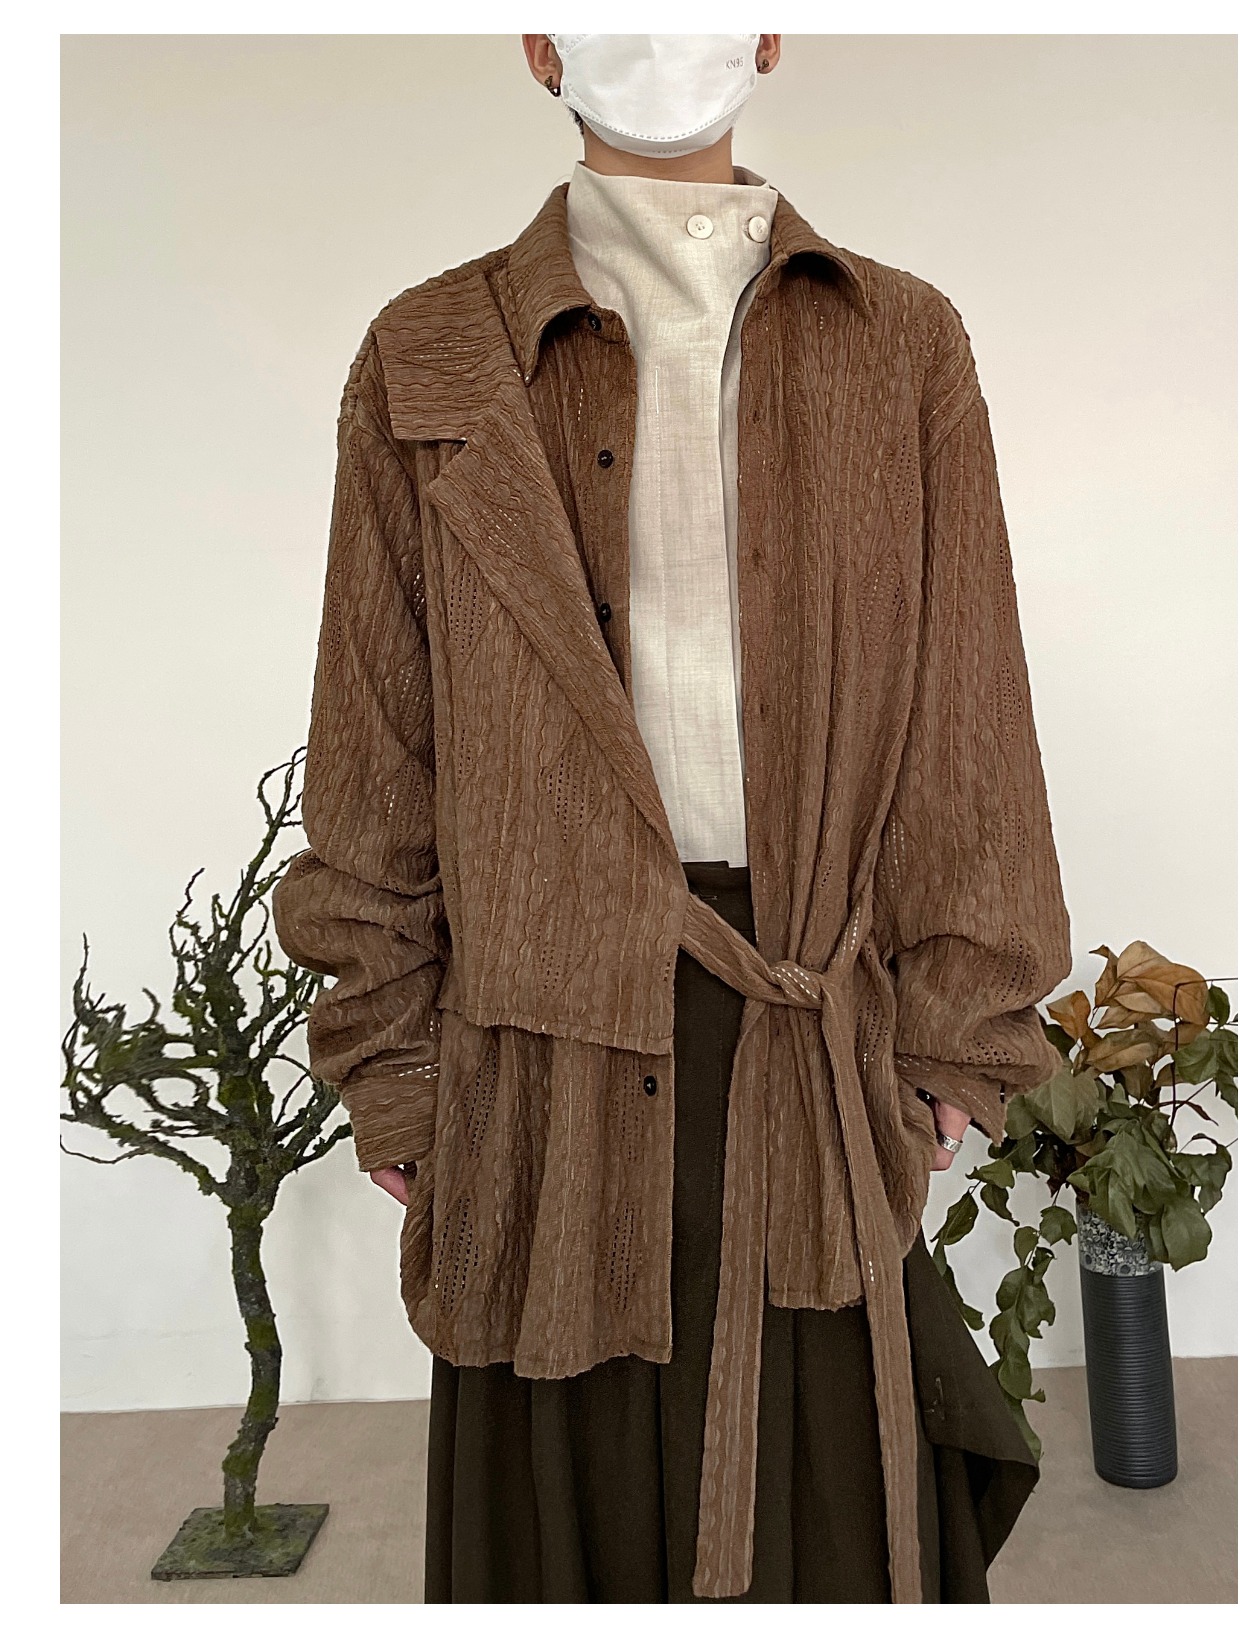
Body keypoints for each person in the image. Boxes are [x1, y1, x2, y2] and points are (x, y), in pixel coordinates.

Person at [272, 32, 1072, 1604]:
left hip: (811, 1034)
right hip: (537, 1048)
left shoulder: (900, 343)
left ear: (770, 31)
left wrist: (958, 1028)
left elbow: (967, 704)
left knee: (826, 1526)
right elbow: (377, 745)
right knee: (565, 1538)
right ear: (537, 41)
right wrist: (397, 1066)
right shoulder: (430, 357)